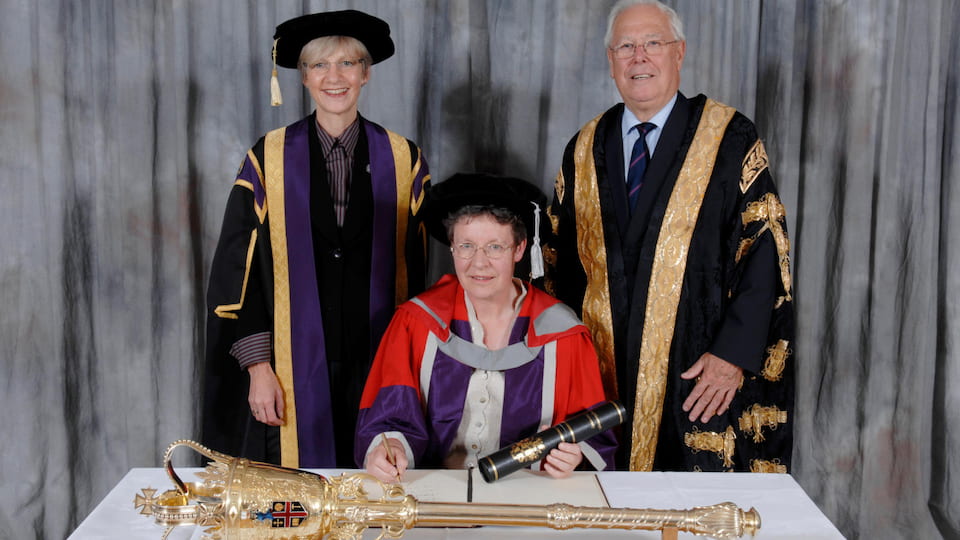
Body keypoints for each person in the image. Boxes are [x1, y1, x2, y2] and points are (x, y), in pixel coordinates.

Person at [545, 0, 794, 473]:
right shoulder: (583, 146)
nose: (639, 57)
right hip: (601, 376)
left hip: (699, 372)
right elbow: (556, 261)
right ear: (611, 60)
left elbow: (765, 250)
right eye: (625, 46)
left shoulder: (729, 137)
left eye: (653, 43)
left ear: (678, 53)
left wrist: (731, 356)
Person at [201, 10, 431, 468]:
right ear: (303, 77)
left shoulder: (404, 159)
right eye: (320, 66)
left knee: (375, 499)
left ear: (365, 74)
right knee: (297, 512)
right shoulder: (267, 159)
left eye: (348, 64)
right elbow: (237, 276)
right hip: (289, 369)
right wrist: (258, 367)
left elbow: (421, 278)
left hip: (379, 363)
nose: (335, 77)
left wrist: (408, 374)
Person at [355, 173, 616, 483]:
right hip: (433, 492)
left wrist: (574, 457)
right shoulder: (417, 323)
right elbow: (388, 415)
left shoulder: (563, 334)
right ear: (451, 248)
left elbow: (594, 435)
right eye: (466, 246)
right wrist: (390, 447)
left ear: (519, 250)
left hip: (528, 495)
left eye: (495, 247)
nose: (479, 264)